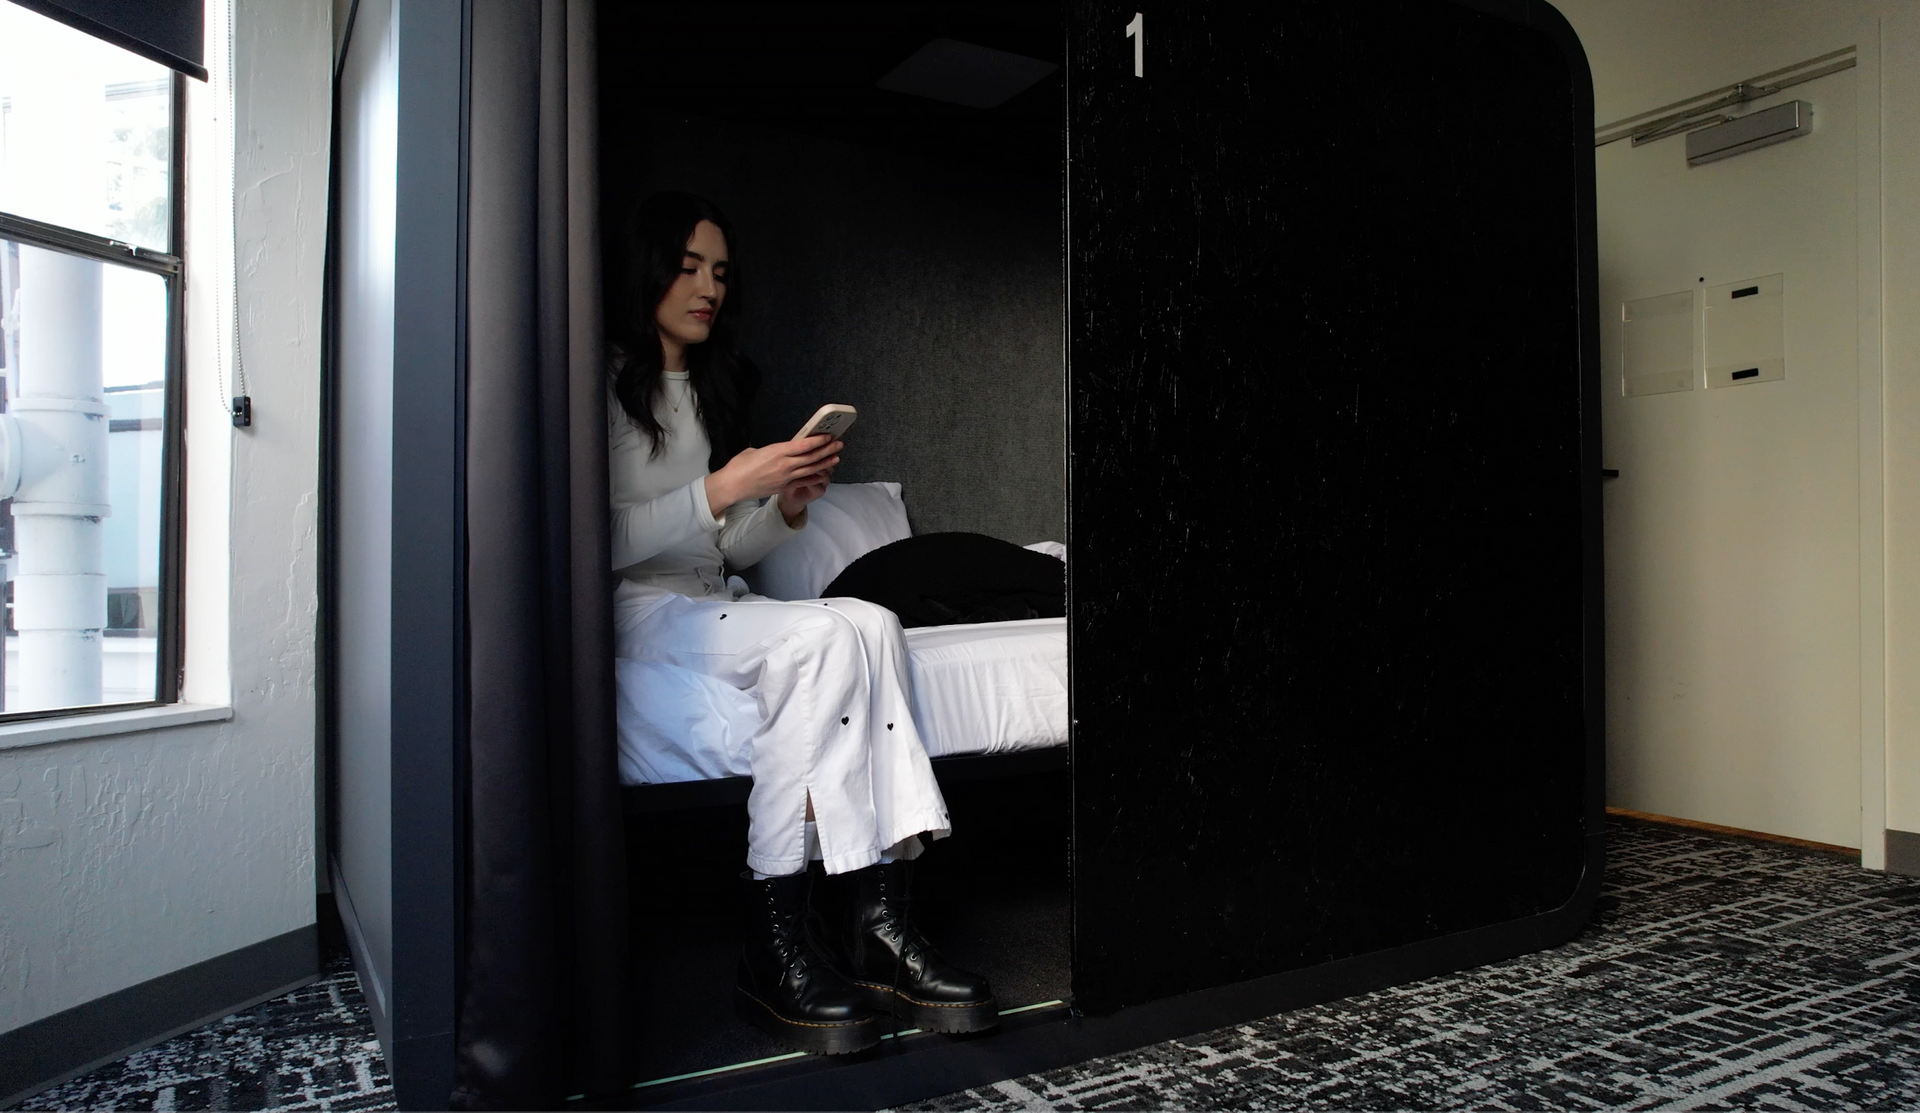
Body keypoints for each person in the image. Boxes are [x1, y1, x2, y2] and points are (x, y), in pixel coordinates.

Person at [607, 192, 996, 1055]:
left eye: (719, 272)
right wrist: (723, 486)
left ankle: (878, 927)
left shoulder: (706, 388)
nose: (708, 286)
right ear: (647, 270)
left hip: (708, 598)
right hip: (636, 610)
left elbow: (727, 553)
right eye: (689, 266)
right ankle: (772, 945)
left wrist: (780, 506)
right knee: (819, 638)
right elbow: (598, 538)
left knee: (869, 620)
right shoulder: (598, 382)